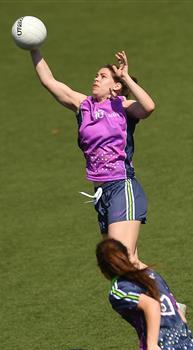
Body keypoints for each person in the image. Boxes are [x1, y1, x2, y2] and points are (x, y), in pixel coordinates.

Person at [29, 49, 156, 267]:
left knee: (122, 258)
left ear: (116, 86)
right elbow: (48, 81)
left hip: (121, 186)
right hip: (101, 193)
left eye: (103, 76)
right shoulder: (83, 105)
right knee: (122, 261)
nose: (96, 78)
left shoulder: (122, 106)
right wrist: (34, 49)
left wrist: (126, 77)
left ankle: (165, 302)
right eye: (96, 75)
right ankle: (168, 301)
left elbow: (148, 107)